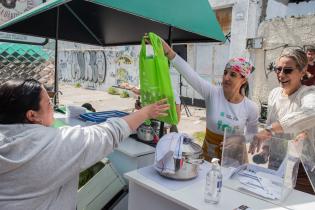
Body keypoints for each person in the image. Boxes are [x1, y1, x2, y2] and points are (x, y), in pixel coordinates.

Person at [0, 79, 169, 210]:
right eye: (49, 104)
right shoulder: (51, 144)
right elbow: (109, 133)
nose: (52, 107)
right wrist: (146, 112)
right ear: (32, 115)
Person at [154, 36, 259, 161]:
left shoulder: (251, 107)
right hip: (209, 156)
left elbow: (252, 135)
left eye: (233, 74)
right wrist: (169, 52)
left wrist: (239, 140)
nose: (226, 78)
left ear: (243, 80)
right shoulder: (212, 93)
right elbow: (191, 75)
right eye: (225, 72)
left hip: (235, 159)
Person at [249, 48, 315, 194]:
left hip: (302, 170)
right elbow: (270, 124)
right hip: (276, 163)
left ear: (303, 71)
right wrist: (266, 149)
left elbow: (312, 112)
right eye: (278, 69)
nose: (281, 74)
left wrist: (270, 130)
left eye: (288, 70)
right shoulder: (274, 93)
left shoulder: (308, 94)